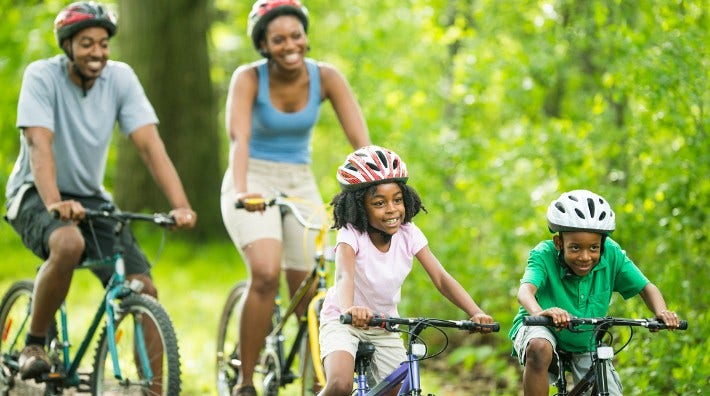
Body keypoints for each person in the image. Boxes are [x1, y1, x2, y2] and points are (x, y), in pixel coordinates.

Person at [4, 1, 197, 381]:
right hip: (35, 191)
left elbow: (149, 145)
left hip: (90, 196)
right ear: (68, 46)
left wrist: (180, 205)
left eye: (103, 43)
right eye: (87, 43)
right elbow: (39, 144)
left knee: (143, 287)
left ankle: (157, 389)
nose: (97, 52)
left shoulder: (120, 78)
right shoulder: (41, 76)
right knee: (68, 244)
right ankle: (34, 342)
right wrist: (54, 203)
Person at [219, 0, 370, 394]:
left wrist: (374, 186)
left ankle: (316, 382)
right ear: (264, 45)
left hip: (299, 181)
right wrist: (242, 188)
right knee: (267, 273)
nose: (290, 45)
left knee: (314, 287)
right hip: (251, 175)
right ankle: (246, 380)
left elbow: (361, 142)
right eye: (278, 39)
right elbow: (239, 138)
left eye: (296, 35)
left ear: (306, 36)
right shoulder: (248, 78)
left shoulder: (327, 77)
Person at [317, 145, 495, 396]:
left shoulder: (408, 233)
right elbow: (344, 274)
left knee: (397, 388)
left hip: (384, 325)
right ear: (358, 207)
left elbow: (441, 279)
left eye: (397, 200)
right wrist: (349, 309)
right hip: (343, 319)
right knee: (339, 385)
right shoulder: (351, 233)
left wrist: (475, 312)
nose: (392, 209)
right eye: (379, 203)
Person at [508, 189, 681, 396]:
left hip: (585, 337)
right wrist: (539, 313)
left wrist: (661, 311)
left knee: (607, 389)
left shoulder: (613, 254)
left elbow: (646, 288)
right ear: (558, 243)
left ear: (603, 245)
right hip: (542, 327)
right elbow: (525, 291)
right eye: (574, 248)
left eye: (593, 248)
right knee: (539, 348)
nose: (585, 256)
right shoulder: (543, 254)